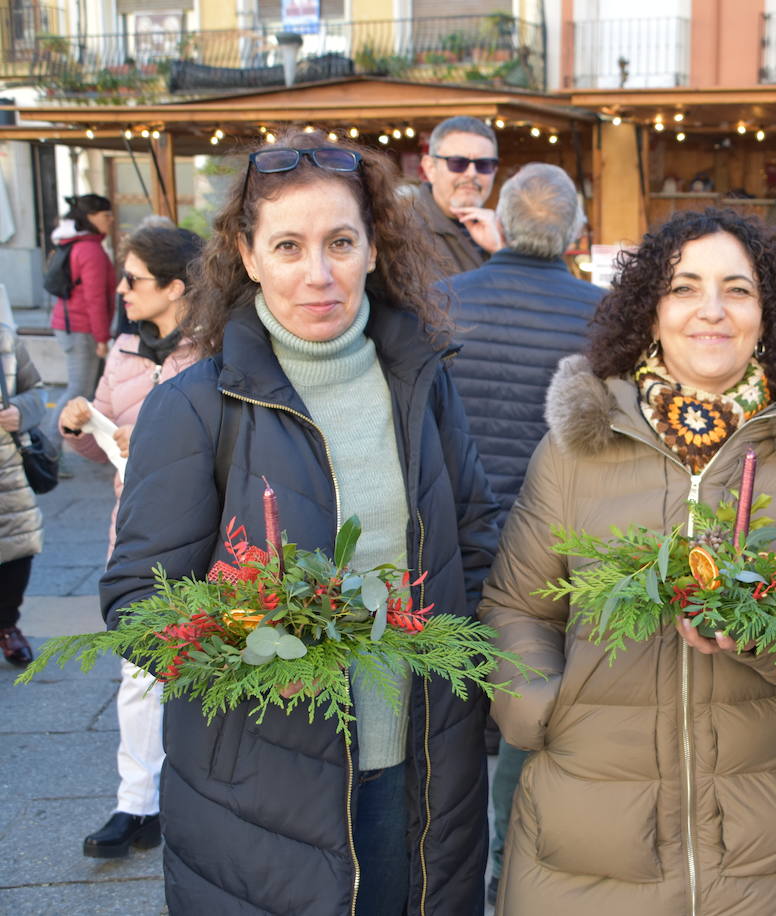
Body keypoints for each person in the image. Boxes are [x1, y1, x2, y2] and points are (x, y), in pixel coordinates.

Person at [101, 133, 500, 915]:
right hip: (262, 796)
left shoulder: (422, 383)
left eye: (340, 242)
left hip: (419, 778)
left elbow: (476, 537)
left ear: (373, 249)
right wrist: (258, 632)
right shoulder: (194, 407)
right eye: (288, 245)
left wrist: (462, 667)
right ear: (247, 256)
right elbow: (136, 604)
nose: (318, 274)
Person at [480, 208, 776, 915]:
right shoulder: (580, 450)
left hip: (770, 849)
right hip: (587, 838)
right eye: (684, 288)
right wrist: (542, 710)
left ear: (768, 314)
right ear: (651, 309)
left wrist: (762, 636)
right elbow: (518, 608)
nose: (711, 311)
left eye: (737, 290)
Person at [437, 161, 604, 904]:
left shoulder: (441, 304)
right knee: (532, 724)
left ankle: (450, 875)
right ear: (573, 232)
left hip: (455, 545)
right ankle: (516, 874)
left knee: (449, 727)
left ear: (499, 224)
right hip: (556, 555)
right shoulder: (602, 316)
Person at [60, 223, 203, 859]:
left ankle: (193, 798)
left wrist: (145, 437)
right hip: (135, 529)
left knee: (199, 670)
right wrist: (78, 427)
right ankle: (135, 804)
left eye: (135, 279)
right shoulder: (122, 347)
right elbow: (100, 441)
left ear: (176, 287)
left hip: (203, 533)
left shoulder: (214, 349)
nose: (120, 289)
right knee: (138, 671)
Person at [48, 193, 116, 473]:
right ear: (91, 217)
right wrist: (101, 338)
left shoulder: (75, 243)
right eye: (106, 216)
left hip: (71, 325)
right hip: (81, 329)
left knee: (85, 390)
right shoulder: (90, 250)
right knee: (78, 390)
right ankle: (48, 452)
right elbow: (95, 299)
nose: (111, 221)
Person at [0, 324, 46, 667]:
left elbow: (37, 392)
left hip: (7, 468)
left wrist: (20, 411)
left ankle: (7, 626)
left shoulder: (6, 338)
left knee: (17, 550)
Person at [418, 115, 503, 276]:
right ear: (430, 168)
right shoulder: (401, 232)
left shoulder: (506, 232)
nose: (471, 173)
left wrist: (502, 252)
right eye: (457, 163)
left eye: (483, 165)